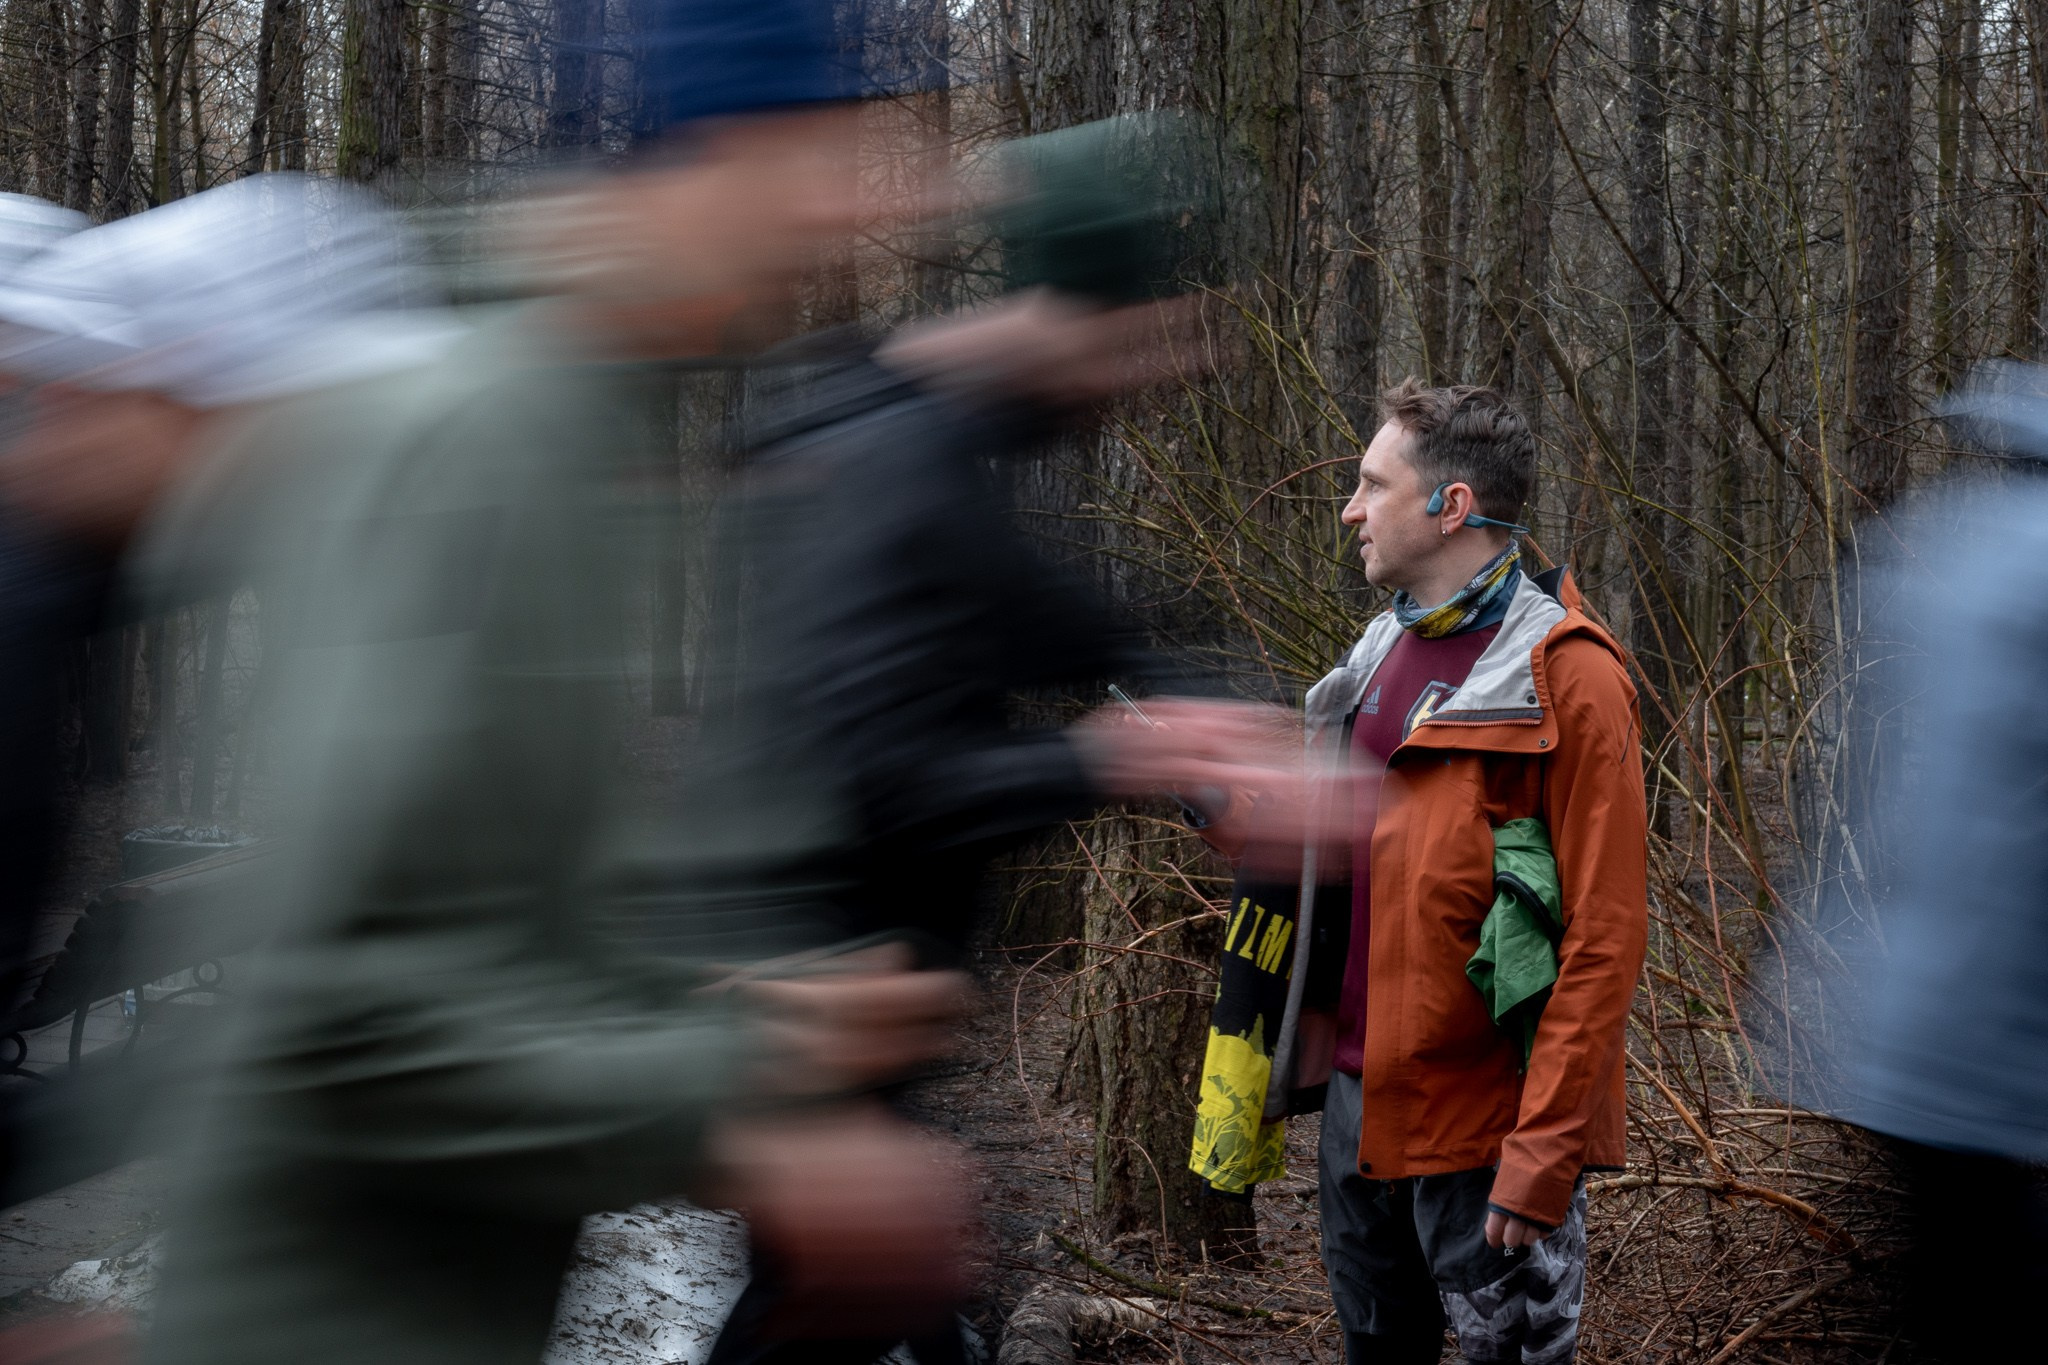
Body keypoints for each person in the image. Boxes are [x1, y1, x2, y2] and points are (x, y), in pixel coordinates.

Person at [1196, 381, 1647, 1365]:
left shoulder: (1567, 678)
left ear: (1449, 507)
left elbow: (1603, 940)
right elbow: (1351, 862)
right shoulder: (1382, 651)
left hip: (1487, 1130)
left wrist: (1544, 1151)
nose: (1349, 509)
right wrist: (1226, 804)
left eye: (1369, 484)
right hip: (1356, 1115)